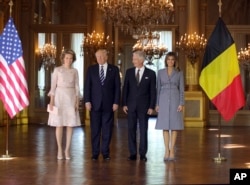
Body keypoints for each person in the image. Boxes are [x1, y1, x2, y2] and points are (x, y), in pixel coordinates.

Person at [84, 48, 121, 161]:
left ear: (106, 57)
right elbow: (87, 87)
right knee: (95, 130)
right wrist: (87, 101)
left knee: (107, 130)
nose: (99, 58)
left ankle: (105, 152)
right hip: (94, 104)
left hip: (109, 105)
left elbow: (117, 88)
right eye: (97, 57)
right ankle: (95, 153)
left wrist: (116, 102)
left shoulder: (114, 69)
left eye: (101, 56)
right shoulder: (91, 69)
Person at [122, 50, 156, 162]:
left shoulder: (151, 74)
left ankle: (142, 154)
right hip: (131, 106)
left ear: (141, 60)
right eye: (133, 59)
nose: (133, 61)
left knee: (143, 130)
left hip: (144, 107)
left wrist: (151, 106)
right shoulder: (129, 72)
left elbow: (153, 92)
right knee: (131, 130)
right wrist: (124, 104)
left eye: (135, 59)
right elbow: (125, 89)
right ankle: (132, 153)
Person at [48, 49, 81, 160]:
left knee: (70, 124)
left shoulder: (75, 71)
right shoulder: (57, 70)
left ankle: (67, 150)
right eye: (67, 58)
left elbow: (77, 87)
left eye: (71, 58)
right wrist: (52, 101)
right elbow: (53, 87)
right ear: (63, 58)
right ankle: (59, 149)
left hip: (71, 97)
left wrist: (77, 101)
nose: (69, 60)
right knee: (59, 124)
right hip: (59, 97)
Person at [155, 51, 184, 161]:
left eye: (172, 59)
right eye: (168, 59)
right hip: (163, 99)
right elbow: (157, 89)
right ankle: (166, 149)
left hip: (175, 99)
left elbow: (181, 89)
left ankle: (172, 150)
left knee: (175, 126)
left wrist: (181, 103)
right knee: (165, 126)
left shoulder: (179, 73)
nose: (170, 61)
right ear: (166, 61)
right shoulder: (160, 72)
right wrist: (157, 104)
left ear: (175, 61)